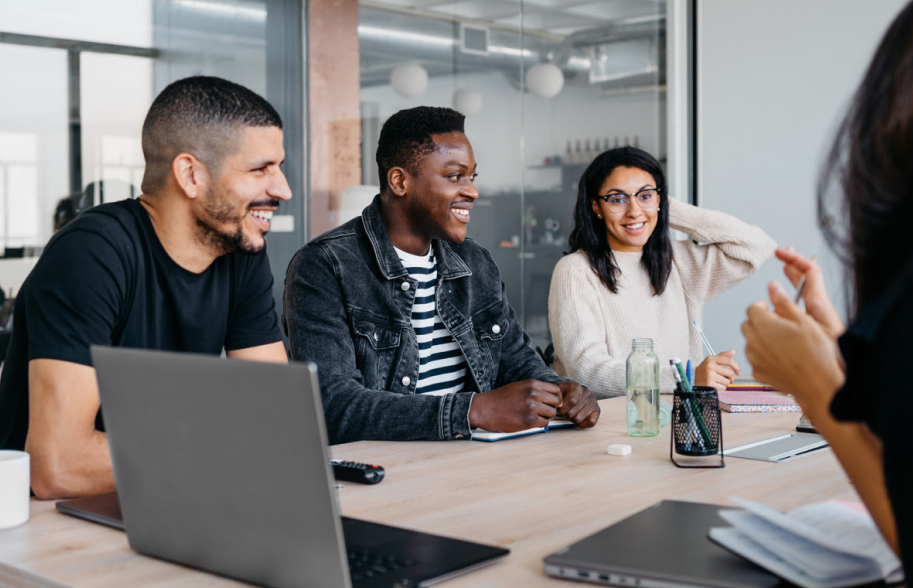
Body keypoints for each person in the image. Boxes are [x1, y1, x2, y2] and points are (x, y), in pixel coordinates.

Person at [742, 1, 913, 585]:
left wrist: (819, 381)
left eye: (650, 194)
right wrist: (845, 350)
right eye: (619, 197)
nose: (640, 209)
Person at [0, 76, 292, 499]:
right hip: (49, 526)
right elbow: (59, 466)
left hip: (164, 497)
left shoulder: (240, 253)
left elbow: (277, 423)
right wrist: (229, 451)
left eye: (279, 167)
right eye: (260, 169)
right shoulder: (91, 254)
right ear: (190, 174)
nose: (282, 188)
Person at [284, 106, 600, 444]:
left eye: (472, 177)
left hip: (468, 460)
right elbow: (333, 405)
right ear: (399, 181)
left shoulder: (475, 262)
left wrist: (559, 391)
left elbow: (517, 359)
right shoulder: (324, 266)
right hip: (382, 473)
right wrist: (472, 411)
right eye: (455, 176)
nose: (472, 191)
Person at [548, 147, 775, 397]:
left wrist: (664, 207)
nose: (634, 210)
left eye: (644, 195)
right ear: (596, 206)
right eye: (617, 199)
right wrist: (685, 378)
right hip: (612, 427)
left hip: (678, 422)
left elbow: (757, 246)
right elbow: (586, 371)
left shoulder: (678, 262)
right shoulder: (575, 271)